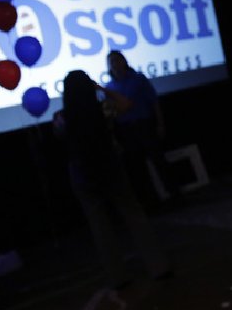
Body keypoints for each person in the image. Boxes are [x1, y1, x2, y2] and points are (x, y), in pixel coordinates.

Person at [60, 70, 171, 288]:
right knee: (133, 215)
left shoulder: (61, 118)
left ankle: (117, 277)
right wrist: (101, 88)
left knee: (100, 226)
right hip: (110, 166)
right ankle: (159, 267)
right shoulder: (103, 109)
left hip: (82, 173)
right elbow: (126, 104)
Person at [104, 50, 174, 209]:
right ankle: (152, 203)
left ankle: (174, 195)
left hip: (144, 125)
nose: (115, 64)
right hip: (126, 130)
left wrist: (160, 123)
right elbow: (112, 114)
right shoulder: (110, 87)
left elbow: (152, 102)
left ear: (124, 61)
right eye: (111, 61)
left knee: (159, 161)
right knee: (138, 168)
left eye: (117, 60)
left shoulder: (137, 79)